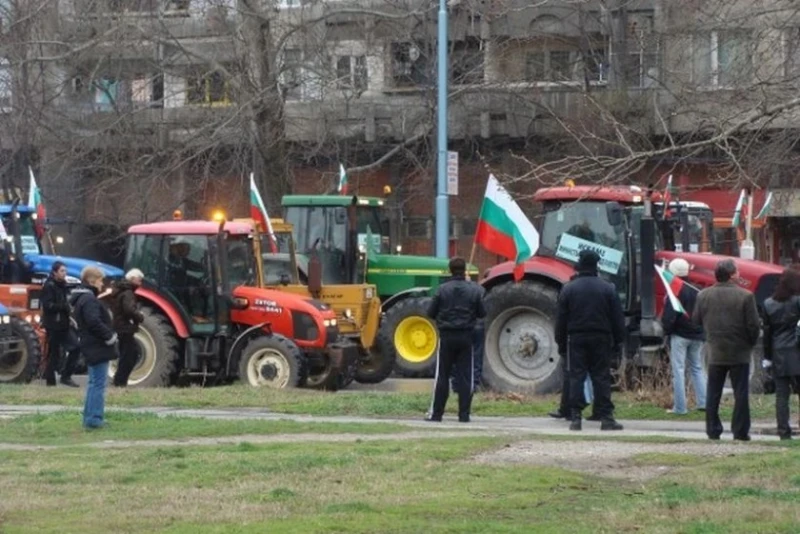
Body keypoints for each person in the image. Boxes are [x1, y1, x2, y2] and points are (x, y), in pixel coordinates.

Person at [555, 249, 625, 431]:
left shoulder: (568, 288)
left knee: (576, 376)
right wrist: (618, 342)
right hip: (601, 337)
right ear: (597, 265)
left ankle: (576, 417)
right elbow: (617, 318)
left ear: (579, 264)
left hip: (576, 338)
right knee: (601, 377)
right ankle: (606, 417)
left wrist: (561, 343)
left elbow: (561, 319)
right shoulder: (608, 288)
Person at [693, 259, 760, 441]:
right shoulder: (746, 296)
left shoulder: (703, 296)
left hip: (715, 350)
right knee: (741, 392)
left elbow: (696, 320)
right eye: (737, 271)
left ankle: (713, 429)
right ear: (732, 275)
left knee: (713, 392)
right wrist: (750, 343)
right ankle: (740, 430)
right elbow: (753, 325)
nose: (739, 273)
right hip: (740, 351)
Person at [426, 257, 486, 423]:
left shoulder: (441, 289)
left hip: (446, 336)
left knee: (442, 375)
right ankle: (464, 415)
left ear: (450, 270)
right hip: (466, 337)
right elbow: (482, 313)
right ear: (465, 270)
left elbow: (430, 312)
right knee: (465, 376)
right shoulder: (474, 290)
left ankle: (437, 414)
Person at [70, 266, 119, 430]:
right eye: (99, 280)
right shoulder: (90, 300)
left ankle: (89, 418)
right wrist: (109, 336)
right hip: (97, 345)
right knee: (98, 384)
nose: (101, 284)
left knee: (93, 383)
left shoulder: (81, 299)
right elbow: (93, 321)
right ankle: (94, 419)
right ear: (92, 280)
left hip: (89, 344)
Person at [661, 258, 706, 415]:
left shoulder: (676, 290)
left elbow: (670, 315)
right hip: (698, 334)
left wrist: (666, 330)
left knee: (678, 371)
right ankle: (703, 402)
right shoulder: (698, 289)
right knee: (697, 368)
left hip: (680, 335)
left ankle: (680, 407)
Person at [761, 267, 800, 440]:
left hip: (778, 354)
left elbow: (767, 334)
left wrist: (767, 357)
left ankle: (783, 431)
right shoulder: (797, 302)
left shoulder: (769, 303)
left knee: (781, 396)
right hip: (797, 352)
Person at [41, 261, 80, 387]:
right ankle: (50, 382)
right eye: (62, 271)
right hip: (53, 325)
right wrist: (63, 306)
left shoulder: (63, 285)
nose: (65, 273)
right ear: (55, 272)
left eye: (65, 271)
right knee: (54, 353)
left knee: (75, 347)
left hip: (63, 323)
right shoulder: (49, 286)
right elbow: (47, 305)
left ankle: (66, 376)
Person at [108, 269, 145, 387]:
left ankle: (119, 380)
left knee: (127, 354)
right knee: (129, 355)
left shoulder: (120, 290)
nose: (141, 281)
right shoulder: (128, 293)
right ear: (132, 279)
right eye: (139, 279)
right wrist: (140, 316)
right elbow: (129, 310)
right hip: (125, 327)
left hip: (121, 326)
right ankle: (120, 381)